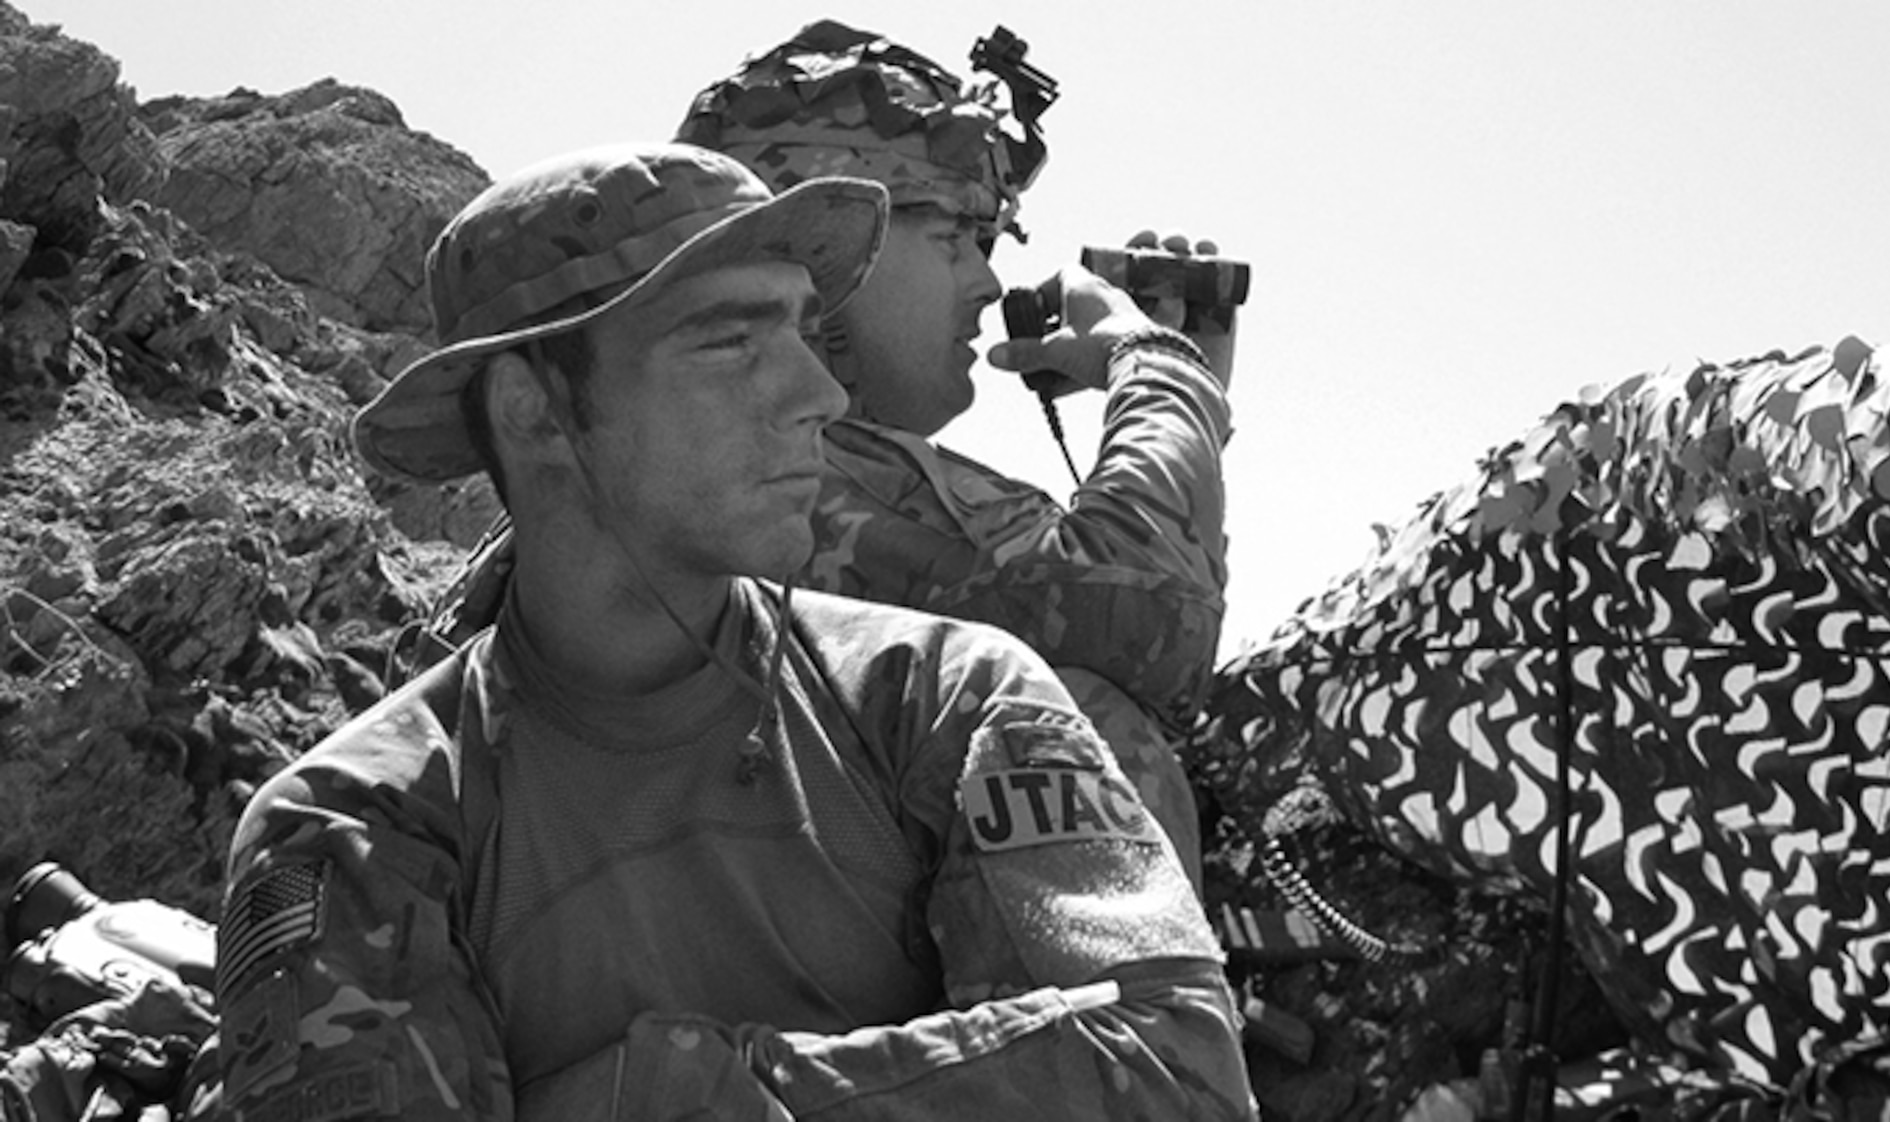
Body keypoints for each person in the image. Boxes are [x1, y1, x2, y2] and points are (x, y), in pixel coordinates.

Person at [212, 142, 1256, 1121]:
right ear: (534, 412)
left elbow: (1175, 1066)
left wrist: (681, 1091)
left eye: (801, 330)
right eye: (729, 343)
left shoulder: (945, 693)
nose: (820, 392)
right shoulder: (356, 824)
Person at [423, 20, 1231, 890]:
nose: (988, 284)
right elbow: (1148, 612)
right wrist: (1159, 370)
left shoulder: (765, 477)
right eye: (955, 235)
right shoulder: (766, 492)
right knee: (1072, 716)